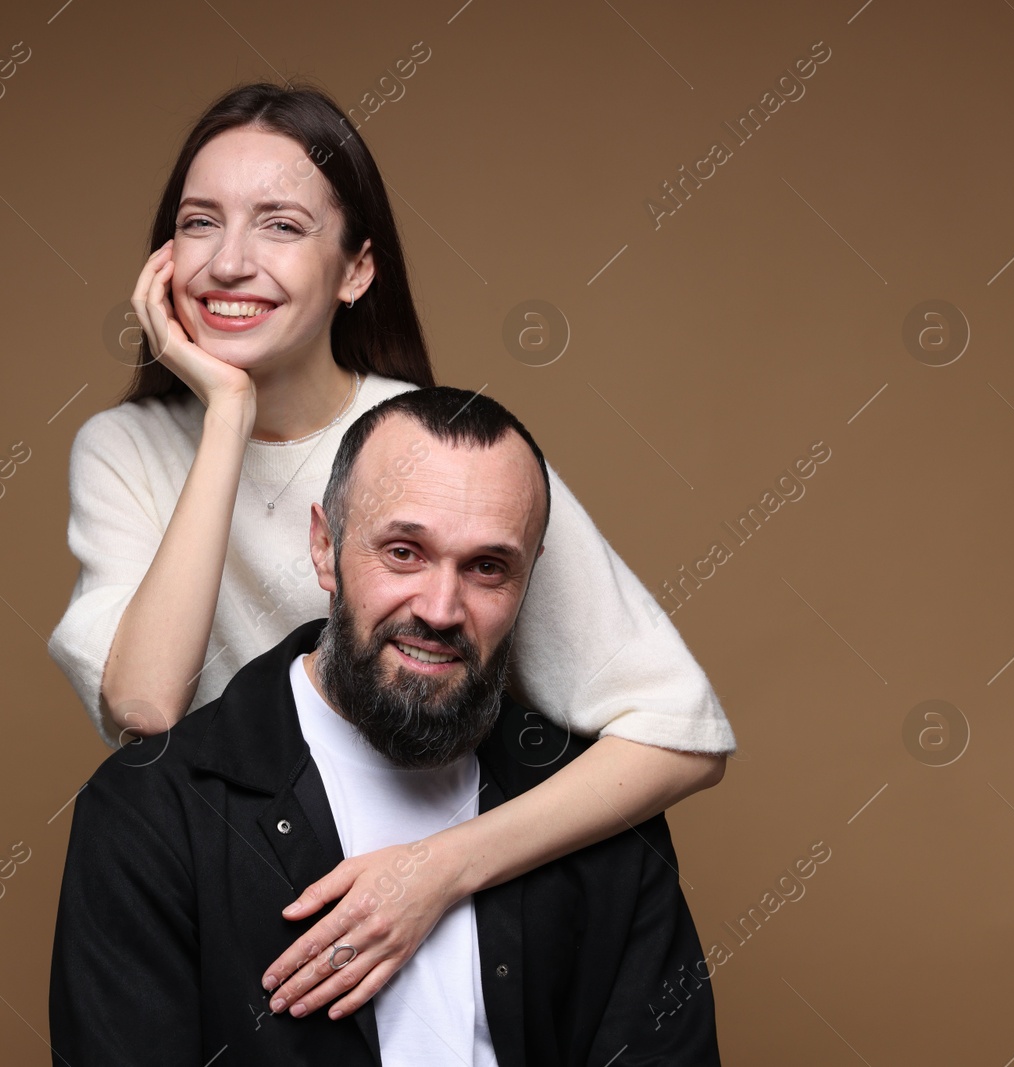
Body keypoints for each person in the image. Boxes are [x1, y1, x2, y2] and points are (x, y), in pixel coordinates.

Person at [48, 80, 736, 1020]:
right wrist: (227, 412)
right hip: (244, 887)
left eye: (281, 225)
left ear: (356, 269)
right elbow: (146, 706)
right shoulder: (122, 449)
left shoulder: (429, 450)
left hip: (465, 877)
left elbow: (680, 731)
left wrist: (434, 873)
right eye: (200, 222)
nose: (230, 261)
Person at [47, 387, 722, 1065]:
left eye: (488, 567)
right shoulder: (153, 815)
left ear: (529, 577)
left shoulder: (599, 821)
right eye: (404, 552)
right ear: (324, 547)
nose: (439, 607)